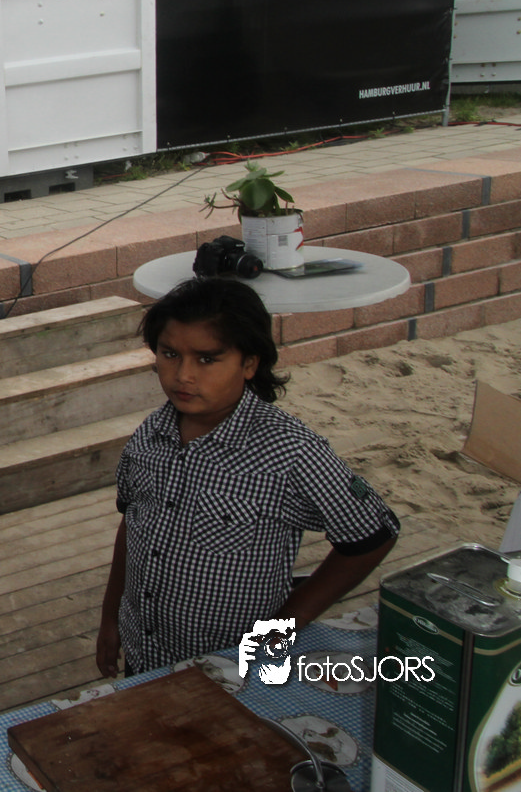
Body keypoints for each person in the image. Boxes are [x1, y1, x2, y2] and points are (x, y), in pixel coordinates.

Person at [96, 277, 400, 678]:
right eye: (170, 354)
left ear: (250, 364)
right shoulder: (150, 436)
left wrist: (284, 627)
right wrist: (112, 615)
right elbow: (132, 524)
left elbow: (373, 535)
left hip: (236, 667)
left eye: (207, 359)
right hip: (145, 654)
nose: (183, 375)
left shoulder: (289, 452)